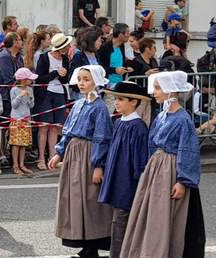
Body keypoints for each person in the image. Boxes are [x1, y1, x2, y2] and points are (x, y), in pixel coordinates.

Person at [120, 71, 205, 258]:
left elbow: (188, 150)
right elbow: (152, 142)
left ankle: (163, 250)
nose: (154, 92)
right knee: (152, 211)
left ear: (171, 90)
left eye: (158, 88)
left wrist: (183, 181)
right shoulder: (161, 115)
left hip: (171, 170)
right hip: (157, 168)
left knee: (166, 214)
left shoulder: (183, 119)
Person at [48, 65, 113, 258]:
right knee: (74, 198)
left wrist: (98, 165)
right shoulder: (78, 104)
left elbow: (102, 137)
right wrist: (59, 153)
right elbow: (68, 131)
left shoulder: (100, 108)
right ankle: (82, 240)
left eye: (87, 79)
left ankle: (92, 245)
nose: (82, 83)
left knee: (89, 200)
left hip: (88, 155)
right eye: (80, 79)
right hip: (73, 155)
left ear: (96, 82)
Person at [97, 81, 151, 258]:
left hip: (127, 183)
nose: (116, 103)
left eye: (120, 99)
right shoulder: (119, 122)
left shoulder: (138, 127)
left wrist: (136, 184)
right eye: (115, 99)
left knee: (122, 221)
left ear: (133, 102)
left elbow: (140, 160)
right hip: (117, 179)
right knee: (118, 222)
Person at [34, 33, 71, 170]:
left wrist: (63, 75)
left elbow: (65, 80)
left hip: (60, 93)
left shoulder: (65, 59)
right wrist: (56, 73)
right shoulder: (44, 57)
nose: (68, 47)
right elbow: (40, 78)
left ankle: (53, 156)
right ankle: (41, 158)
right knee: (44, 126)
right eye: (66, 45)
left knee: (55, 126)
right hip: (46, 94)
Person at [9, 67, 37, 176]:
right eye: (29, 79)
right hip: (16, 119)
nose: (30, 81)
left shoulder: (30, 89)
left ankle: (22, 164)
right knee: (16, 143)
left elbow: (31, 105)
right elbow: (14, 105)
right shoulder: (14, 90)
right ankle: (15, 165)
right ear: (23, 80)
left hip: (26, 119)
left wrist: (30, 98)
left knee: (24, 143)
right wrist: (20, 96)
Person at [0, 32, 24, 118]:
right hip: (6, 97)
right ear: (15, 42)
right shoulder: (4, 57)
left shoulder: (19, 56)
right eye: (20, 40)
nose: (22, 42)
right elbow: (9, 80)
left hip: (16, 94)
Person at [98, 23, 130, 88]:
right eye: (127, 33)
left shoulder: (121, 46)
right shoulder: (104, 47)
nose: (129, 35)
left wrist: (126, 68)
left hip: (120, 83)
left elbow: (120, 63)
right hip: (108, 85)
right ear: (120, 34)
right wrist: (115, 70)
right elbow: (100, 67)